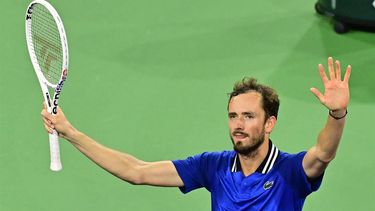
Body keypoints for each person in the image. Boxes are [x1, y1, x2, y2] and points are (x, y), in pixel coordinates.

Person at [41, 57, 351, 211]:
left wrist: (336, 114)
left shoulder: (289, 172)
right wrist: (70, 133)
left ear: (270, 123)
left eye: (248, 116)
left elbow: (323, 153)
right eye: (233, 116)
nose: (238, 124)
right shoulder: (212, 167)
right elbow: (136, 171)